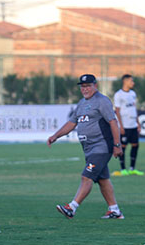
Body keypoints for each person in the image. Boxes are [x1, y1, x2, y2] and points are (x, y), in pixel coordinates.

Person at [48, 74, 124, 220]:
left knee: (86, 176)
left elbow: (113, 122)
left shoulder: (102, 101)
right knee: (102, 179)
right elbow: (72, 123)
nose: (85, 89)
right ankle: (114, 210)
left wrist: (117, 145)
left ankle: (72, 207)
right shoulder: (82, 103)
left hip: (102, 146)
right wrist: (56, 136)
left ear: (95, 86)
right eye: (83, 87)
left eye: (88, 86)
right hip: (89, 148)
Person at [112, 74, 142, 176]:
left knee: (135, 146)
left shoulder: (133, 94)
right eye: (131, 81)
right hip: (125, 126)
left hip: (133, 125)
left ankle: (132, 168)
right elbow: (117, 111)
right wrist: (121, 126)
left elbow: (134, 109)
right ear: (125, 81)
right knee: (123, 147)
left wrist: (138, 123)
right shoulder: (118, 95)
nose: (133, 83)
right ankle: (123, 169)